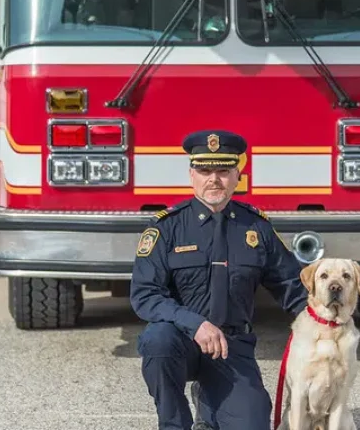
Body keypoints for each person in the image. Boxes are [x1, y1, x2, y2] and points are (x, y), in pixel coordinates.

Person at [130, 129, 309, 430]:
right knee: (156, 340)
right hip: (181, 340)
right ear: (191, 175)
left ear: (237, 175)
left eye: (223, 171)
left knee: (252, 424)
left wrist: (326, 318)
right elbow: (145, 294)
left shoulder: (257, 227)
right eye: (204, 170)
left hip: (232, 346)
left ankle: (209, 403)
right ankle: (174, 424)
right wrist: (194, 323)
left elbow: (291, 285)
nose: (214, 179)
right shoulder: (167, 227)